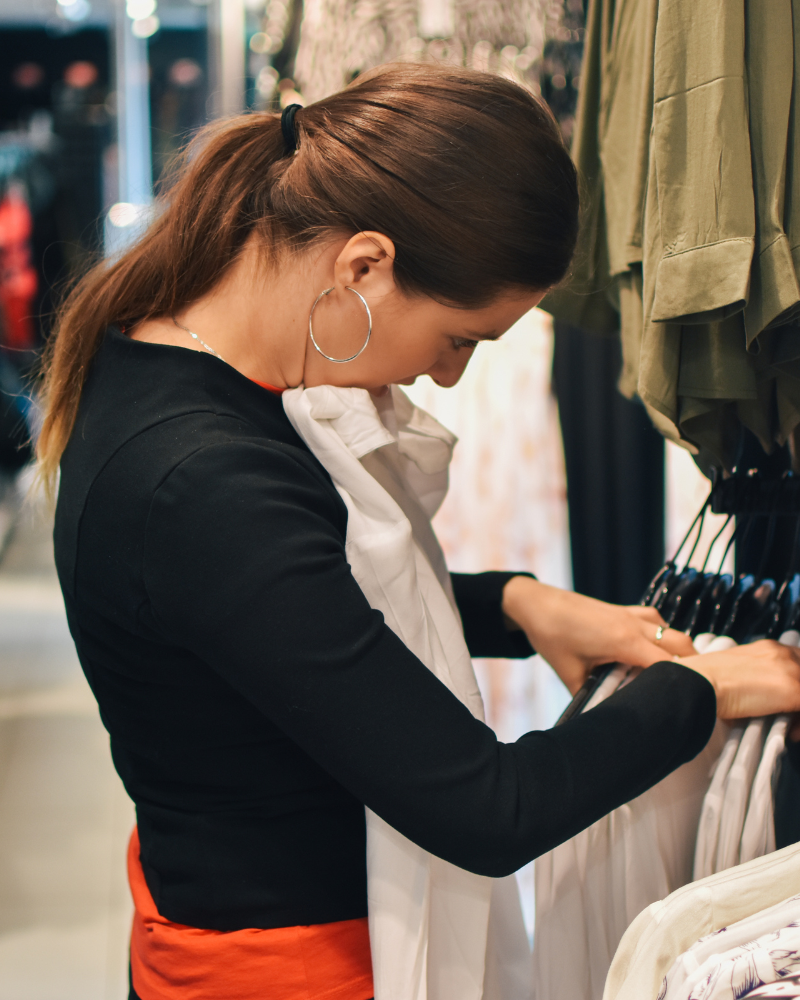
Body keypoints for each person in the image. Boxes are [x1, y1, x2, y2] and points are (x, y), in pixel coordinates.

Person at [37, 63, 800, 1000]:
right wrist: (701, 691)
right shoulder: (202, 478)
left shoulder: (173, 366)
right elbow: (488, 807)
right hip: (289, 972)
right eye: (461, 337)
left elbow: (286, 619)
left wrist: (517, 605)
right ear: (363, 267)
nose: (449, 375)